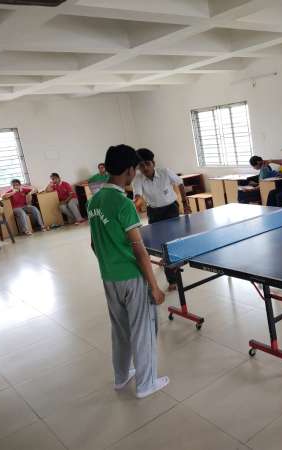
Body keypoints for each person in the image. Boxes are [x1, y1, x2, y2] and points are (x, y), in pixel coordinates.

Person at [88, 144, 169, 399]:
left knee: (120, 329)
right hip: (131, 277)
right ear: (129, 170)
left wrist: (111, 262)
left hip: (108, 276)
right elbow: (139, 249)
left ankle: (121, 377)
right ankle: (146, 384)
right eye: (135, 167)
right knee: (143, 328)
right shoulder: (123, 204)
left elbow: (94, 243)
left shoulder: (95, 201)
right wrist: (154, 286)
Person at [133, 148, 191, 291]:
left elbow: (180, 183)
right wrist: (132, 209)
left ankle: (172, 278)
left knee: (171, 244)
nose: (145, 168)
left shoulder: (165, 172)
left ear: (153, 162)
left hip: (171, 209)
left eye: (147, 163)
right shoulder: (138, 179)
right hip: (154, 212)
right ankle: (167, 261)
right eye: (141, 165)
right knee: (162, 244)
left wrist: (185, 203)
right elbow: (138, 198)